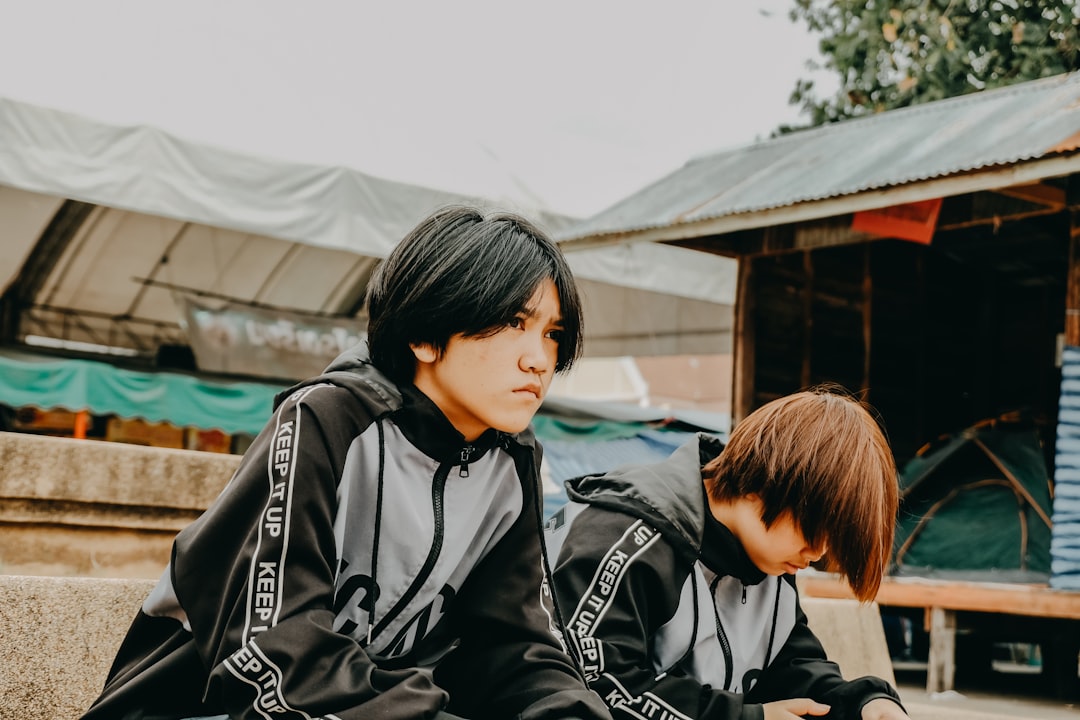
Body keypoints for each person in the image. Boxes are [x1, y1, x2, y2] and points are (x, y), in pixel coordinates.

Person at [81, 206, 611, 720]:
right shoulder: (323, 420)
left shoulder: (511, 462)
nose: (538, 359)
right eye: (515, 322)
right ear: (424, 335)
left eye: (552, 333)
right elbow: (276, 657)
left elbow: (512, 645)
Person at [546, 388, 910, 720]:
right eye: (814, 528)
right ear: (760, 484)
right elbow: (595, 687)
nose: (817, 553)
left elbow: (790, 668)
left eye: (832, 538)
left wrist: (863, 704)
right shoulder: (625, 537)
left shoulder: (770, 561)